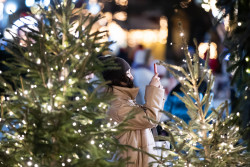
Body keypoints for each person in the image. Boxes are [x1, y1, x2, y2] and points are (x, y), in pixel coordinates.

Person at [100, 56, 165, 167]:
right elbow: (150, 118)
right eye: (128, 73)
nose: (132, 77)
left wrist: (157, 91)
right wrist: (154, 90)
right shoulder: (118, 106)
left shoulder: (124, 100)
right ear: (118, 78)